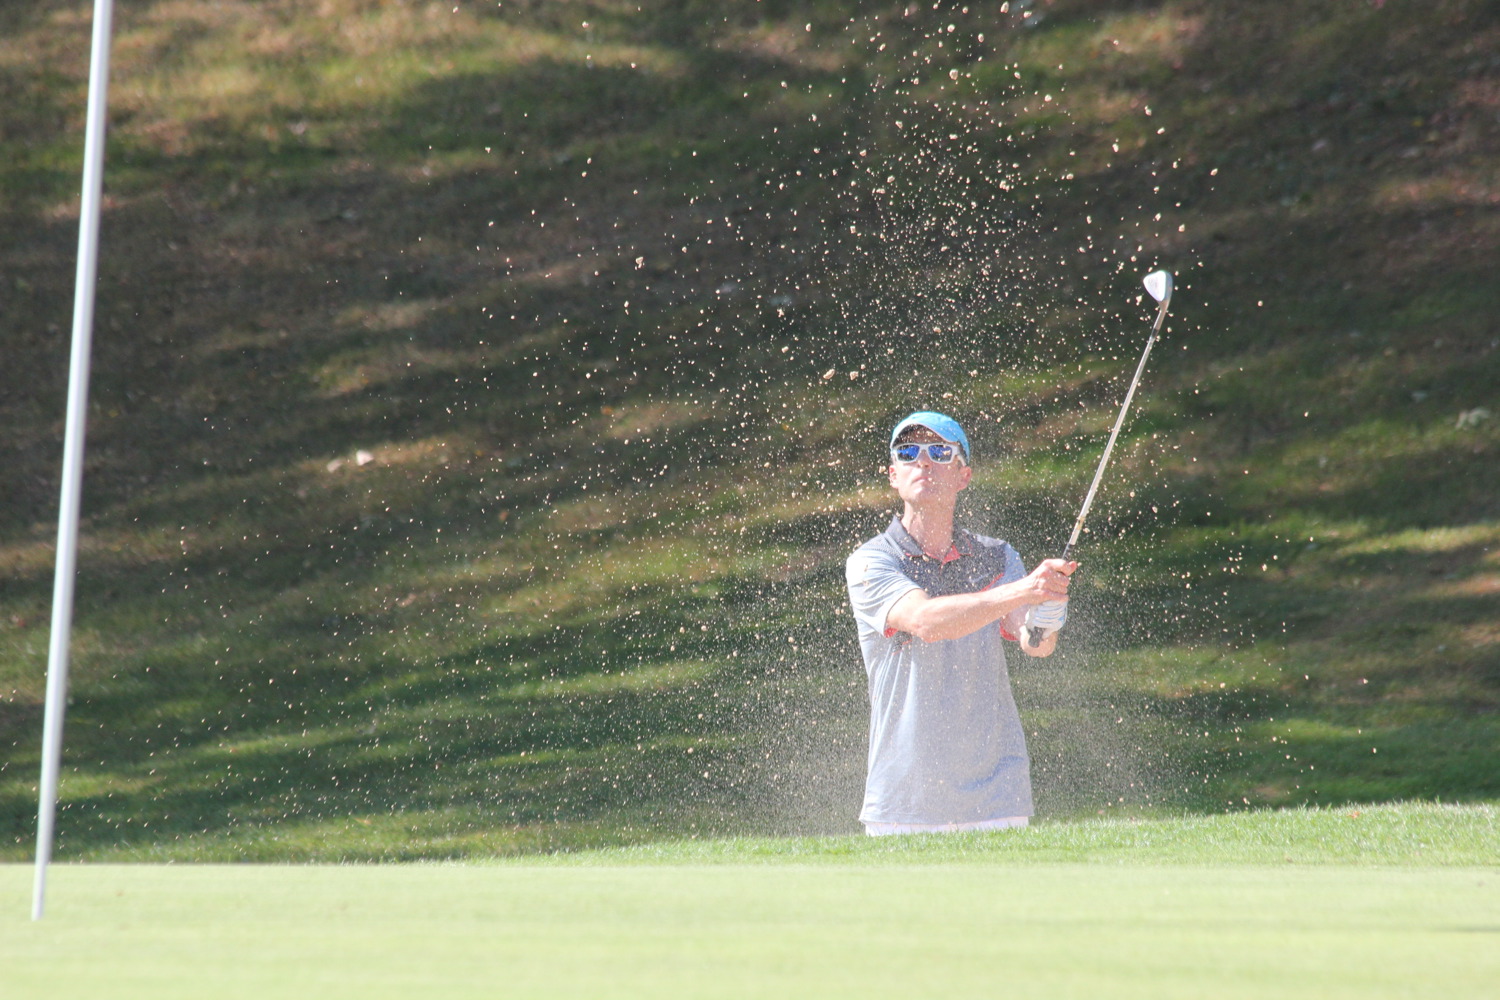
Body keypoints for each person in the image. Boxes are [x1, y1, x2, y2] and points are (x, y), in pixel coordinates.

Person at [845, 411, 1076, 835]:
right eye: (908, 452)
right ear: (893, 475)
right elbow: (926, 622)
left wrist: (1048, 606)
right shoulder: (871, 560)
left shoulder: (997, 556)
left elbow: (1036, 642)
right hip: (904, 800)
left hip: (997, 794)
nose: (923, 461)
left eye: (939, 451)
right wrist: (1025, 589)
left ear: (962, 475)